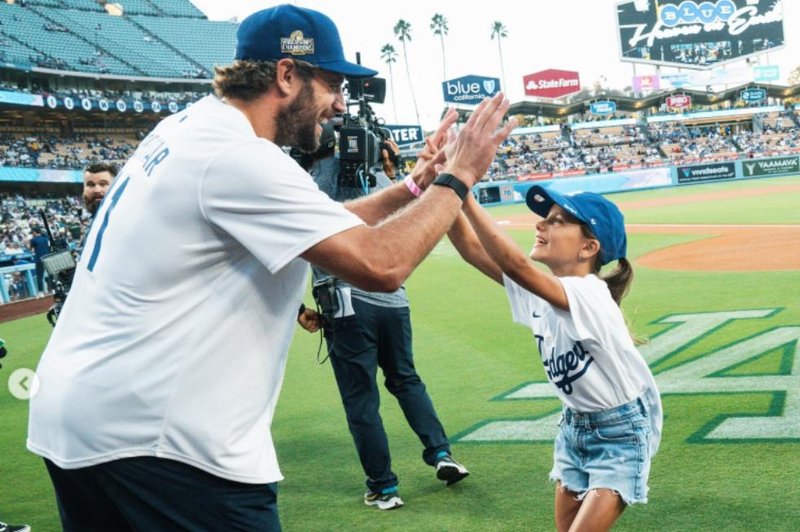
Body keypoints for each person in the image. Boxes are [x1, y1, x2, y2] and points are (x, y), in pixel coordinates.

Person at [27, 4, 516, 530]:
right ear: (287, 74)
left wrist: (415, 186)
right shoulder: (238, 157)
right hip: (159, 442)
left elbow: (323, 223)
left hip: (87, 424)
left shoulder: (194, 130)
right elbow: (382, 263)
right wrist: (462, 173)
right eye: (331, 84)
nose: (339, 104)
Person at [447, 186, 662, 531]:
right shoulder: (544, 292)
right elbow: (471, 248)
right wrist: (442, 190)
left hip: (620, 434)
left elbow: (515, 265)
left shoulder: (590, 292)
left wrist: (463, 190)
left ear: (589, 248)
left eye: (557, 222)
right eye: (544, 220)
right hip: (574, 427)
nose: (541, 227)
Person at [299, 126, 468, 511]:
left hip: (344, 301)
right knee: (406, 379)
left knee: (361, 399)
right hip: (393, 300)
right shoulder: (378, 176)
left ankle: (384, 487)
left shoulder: (305, 184)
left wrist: (297, 310)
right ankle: (442, 453)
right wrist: (391, 171)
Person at [28, 226, 50, 296]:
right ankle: (52, 289)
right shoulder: (46, 238)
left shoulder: (33, 240)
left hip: (39, 259)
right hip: (47, 258)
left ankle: (41, 292)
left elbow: (30, 250)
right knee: (50, 274)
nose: (32, 234)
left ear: (34, 232)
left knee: (39, 276)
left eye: (32, 232)